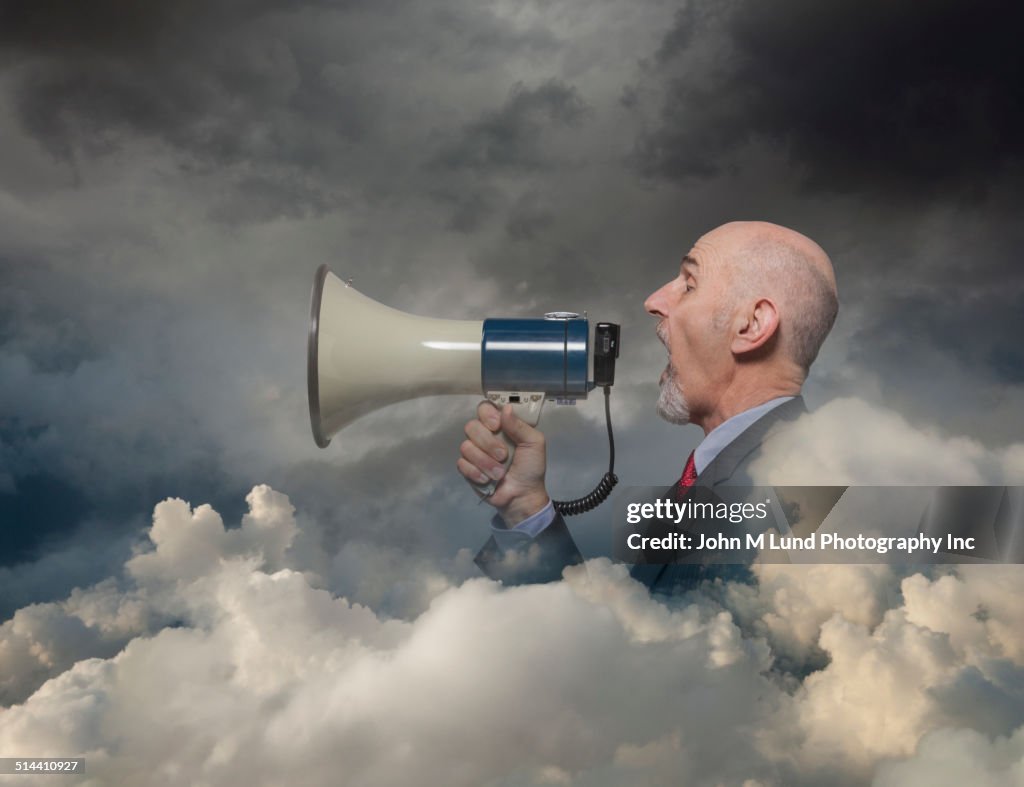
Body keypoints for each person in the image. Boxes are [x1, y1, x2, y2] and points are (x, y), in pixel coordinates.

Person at [456, 221, 839, 591]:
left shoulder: (770, 500)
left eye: (689, 285)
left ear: (752, 325)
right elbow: (635, 634)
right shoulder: (738, 474)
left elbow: (620, 658)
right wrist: (526, 507)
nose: (653, 302)